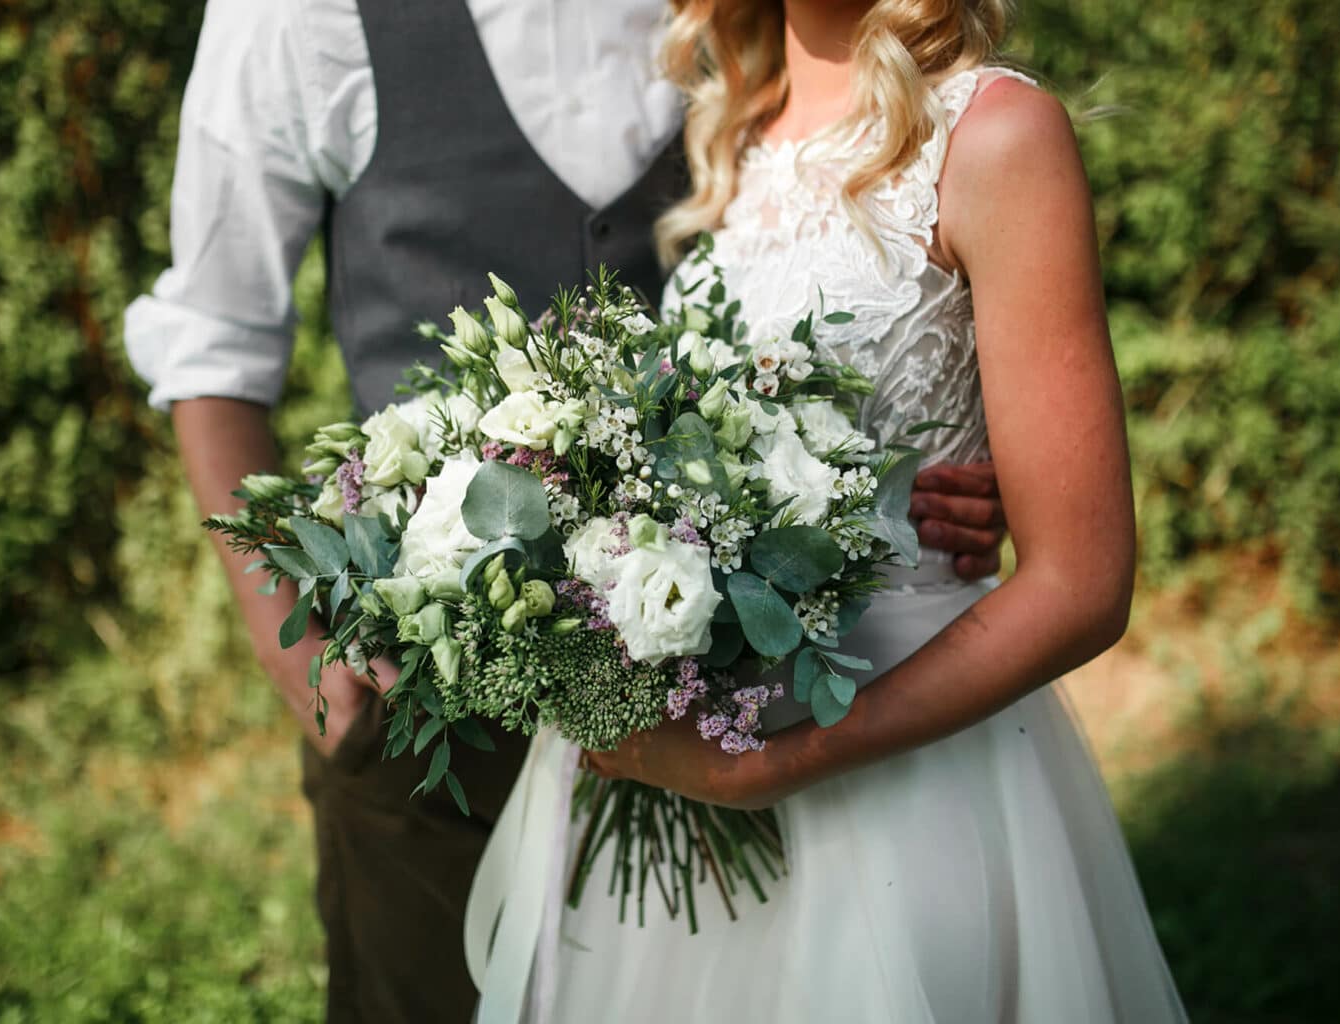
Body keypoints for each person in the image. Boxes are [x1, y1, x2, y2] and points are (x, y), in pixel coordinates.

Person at [124, 1, 1011, 1020]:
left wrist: (902, 489)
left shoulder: (730, 14)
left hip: (716, 714)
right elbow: (214, 341)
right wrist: (291, 646)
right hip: (429, 718)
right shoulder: (303, 16)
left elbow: (851, 248)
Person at [469, 1, 1188, 1021]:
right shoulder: (733, 131)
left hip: (902, 775)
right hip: (679, 783)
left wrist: (773, 765)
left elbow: (1084, 582)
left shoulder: (995, 134)